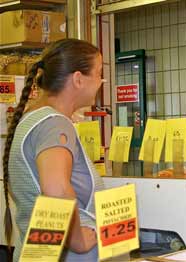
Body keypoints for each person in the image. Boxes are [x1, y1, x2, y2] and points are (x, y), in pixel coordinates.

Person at [2, 39, 105, 261]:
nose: (101, 81)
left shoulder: (33, 118)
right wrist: (77, 239)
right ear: (78, 79)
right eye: (98, 73)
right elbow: (56, 188)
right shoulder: (54, 124)